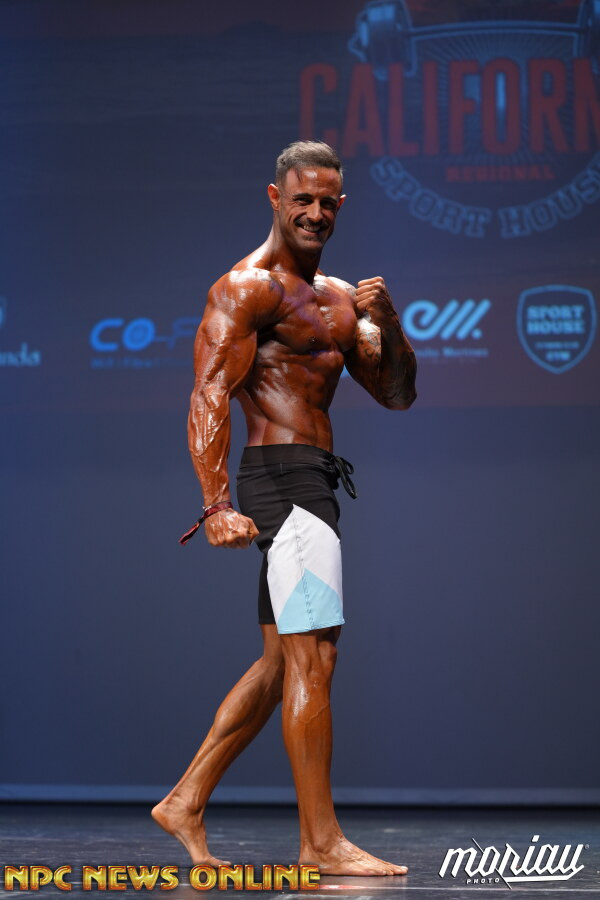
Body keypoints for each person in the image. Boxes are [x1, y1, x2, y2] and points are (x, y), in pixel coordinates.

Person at [152, 141, 417, 876]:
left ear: (341, 205)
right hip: (285, 483)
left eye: (327, 201)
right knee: (315, 656)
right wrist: (215, 505)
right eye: (302, 199)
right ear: (275, 198)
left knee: (279, 664)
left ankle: (185, 799)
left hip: (314, 482)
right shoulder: (246, 288)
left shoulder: (340, 299)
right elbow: (209, 394)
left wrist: (389, 321)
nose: (315, 213)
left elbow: (397, 395)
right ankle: (320, 843)